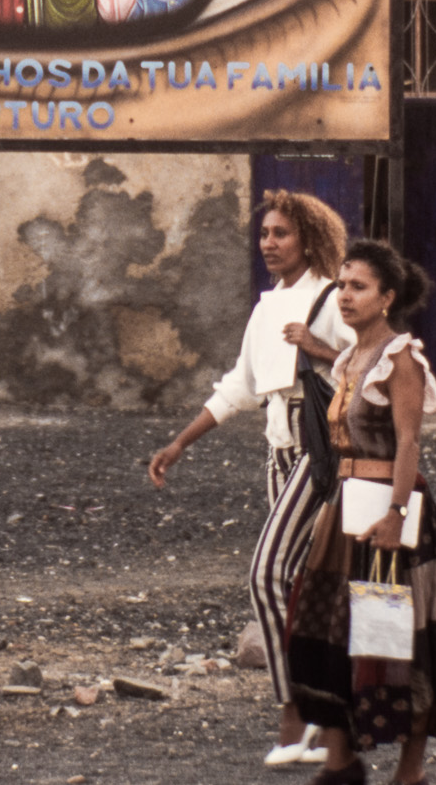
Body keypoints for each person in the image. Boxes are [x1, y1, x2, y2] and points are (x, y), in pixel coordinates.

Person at [147, 190, 352, 768]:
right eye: (264, 234)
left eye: (281, 233)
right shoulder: (266, 308)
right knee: (303, 585)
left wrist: (318, 347)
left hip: (321, 452)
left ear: (308, 239)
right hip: (279, 453)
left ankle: (294, 714)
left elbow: (367, 364)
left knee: (267, 572)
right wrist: (181, 443)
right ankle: (332, 714)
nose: (269, 243)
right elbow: (238, 385)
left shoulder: (332, 298)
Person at [285, 239, 436, 785]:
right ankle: (341, 763)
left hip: (389, 517)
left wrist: (397, 514)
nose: (344, 295)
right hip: (345, 512)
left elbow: (409, 444)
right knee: (331, 631)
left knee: (393, 636)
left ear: (387, 297)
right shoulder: (349, 357)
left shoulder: (401, 359)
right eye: (341, 284)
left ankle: (410, 772)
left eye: (358, 286)